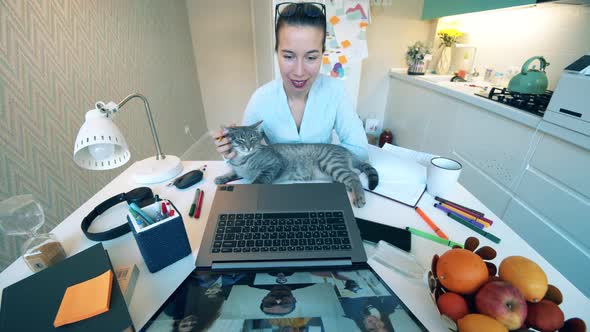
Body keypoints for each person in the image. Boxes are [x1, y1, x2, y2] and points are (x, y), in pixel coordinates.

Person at [212, 2, 368, 161]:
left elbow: (359, 151)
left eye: (311, 57)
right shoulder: (261, 99)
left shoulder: (335, 91)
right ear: (277, 52)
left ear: (323, 53)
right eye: (288, 56)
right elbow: (244, 158)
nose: (299, 72)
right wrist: (231, 152)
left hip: (323, 179)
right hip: (277, 181)